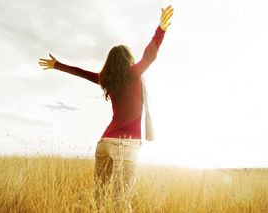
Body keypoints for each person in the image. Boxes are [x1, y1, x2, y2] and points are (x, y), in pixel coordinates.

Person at [38, 5, 174, 212]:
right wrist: (161, 29)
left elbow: (82, 72)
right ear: (128, 60)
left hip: (105, 142)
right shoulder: (135, 73)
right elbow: (150, 55)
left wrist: (57, 65)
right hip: (127, 146)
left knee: (99, 196)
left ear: (110, 62)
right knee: (121, 201)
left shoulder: (106, 79)